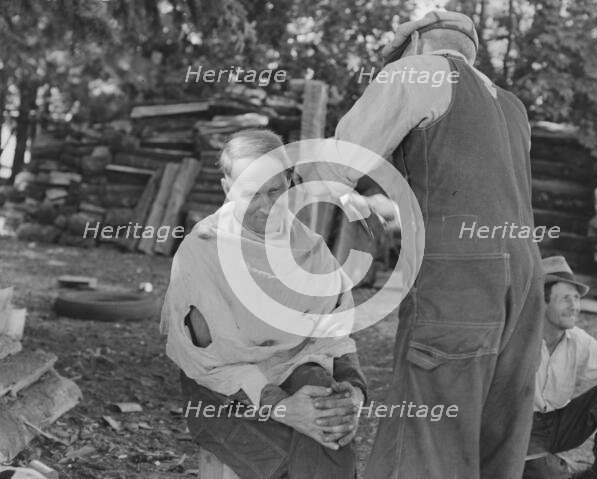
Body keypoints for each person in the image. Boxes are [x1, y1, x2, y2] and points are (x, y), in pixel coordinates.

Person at [296, 9, 545, 478]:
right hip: (526, 277)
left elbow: (343, 160)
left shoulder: (416, 71)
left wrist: (284, 199)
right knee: (498, 432)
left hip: (461, 272)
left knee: (430, 428)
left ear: (415, 44)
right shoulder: (512, 106)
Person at [160, 129, 367, 479]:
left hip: (296, 374)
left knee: (328, 419)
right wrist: (283, 407)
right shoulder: (203, 252)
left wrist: (353, 394)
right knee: (308, 455)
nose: (266, 207)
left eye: (275, 190)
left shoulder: (311, 249)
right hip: (223, 395)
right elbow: (212, 364)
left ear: (291, 183)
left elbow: (334, 334)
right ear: (227, 188)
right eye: (250, 193)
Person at [523, 256, 597, 479]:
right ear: (542, 302)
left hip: (558, 424)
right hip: (520, 427)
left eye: (577, 298)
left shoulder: (578, 340)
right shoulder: (521, 340)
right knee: (543, 473)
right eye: (565, 299)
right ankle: (562, 469)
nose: (575, 306)